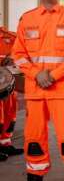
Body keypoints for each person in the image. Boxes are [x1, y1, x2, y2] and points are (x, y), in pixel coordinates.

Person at [12, 0, 64, 181]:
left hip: (62, 91)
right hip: (36, 91)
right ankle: (35, 174)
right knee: (34, 140)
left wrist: (53, 75)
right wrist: (37, 74)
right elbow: (18, 55)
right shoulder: (27, 18)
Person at [0, 26, 24, 161]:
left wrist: (13, 58)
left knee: (10, 114)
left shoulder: (10, 36)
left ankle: (5, 144)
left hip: (8, 83)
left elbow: (22, 50)